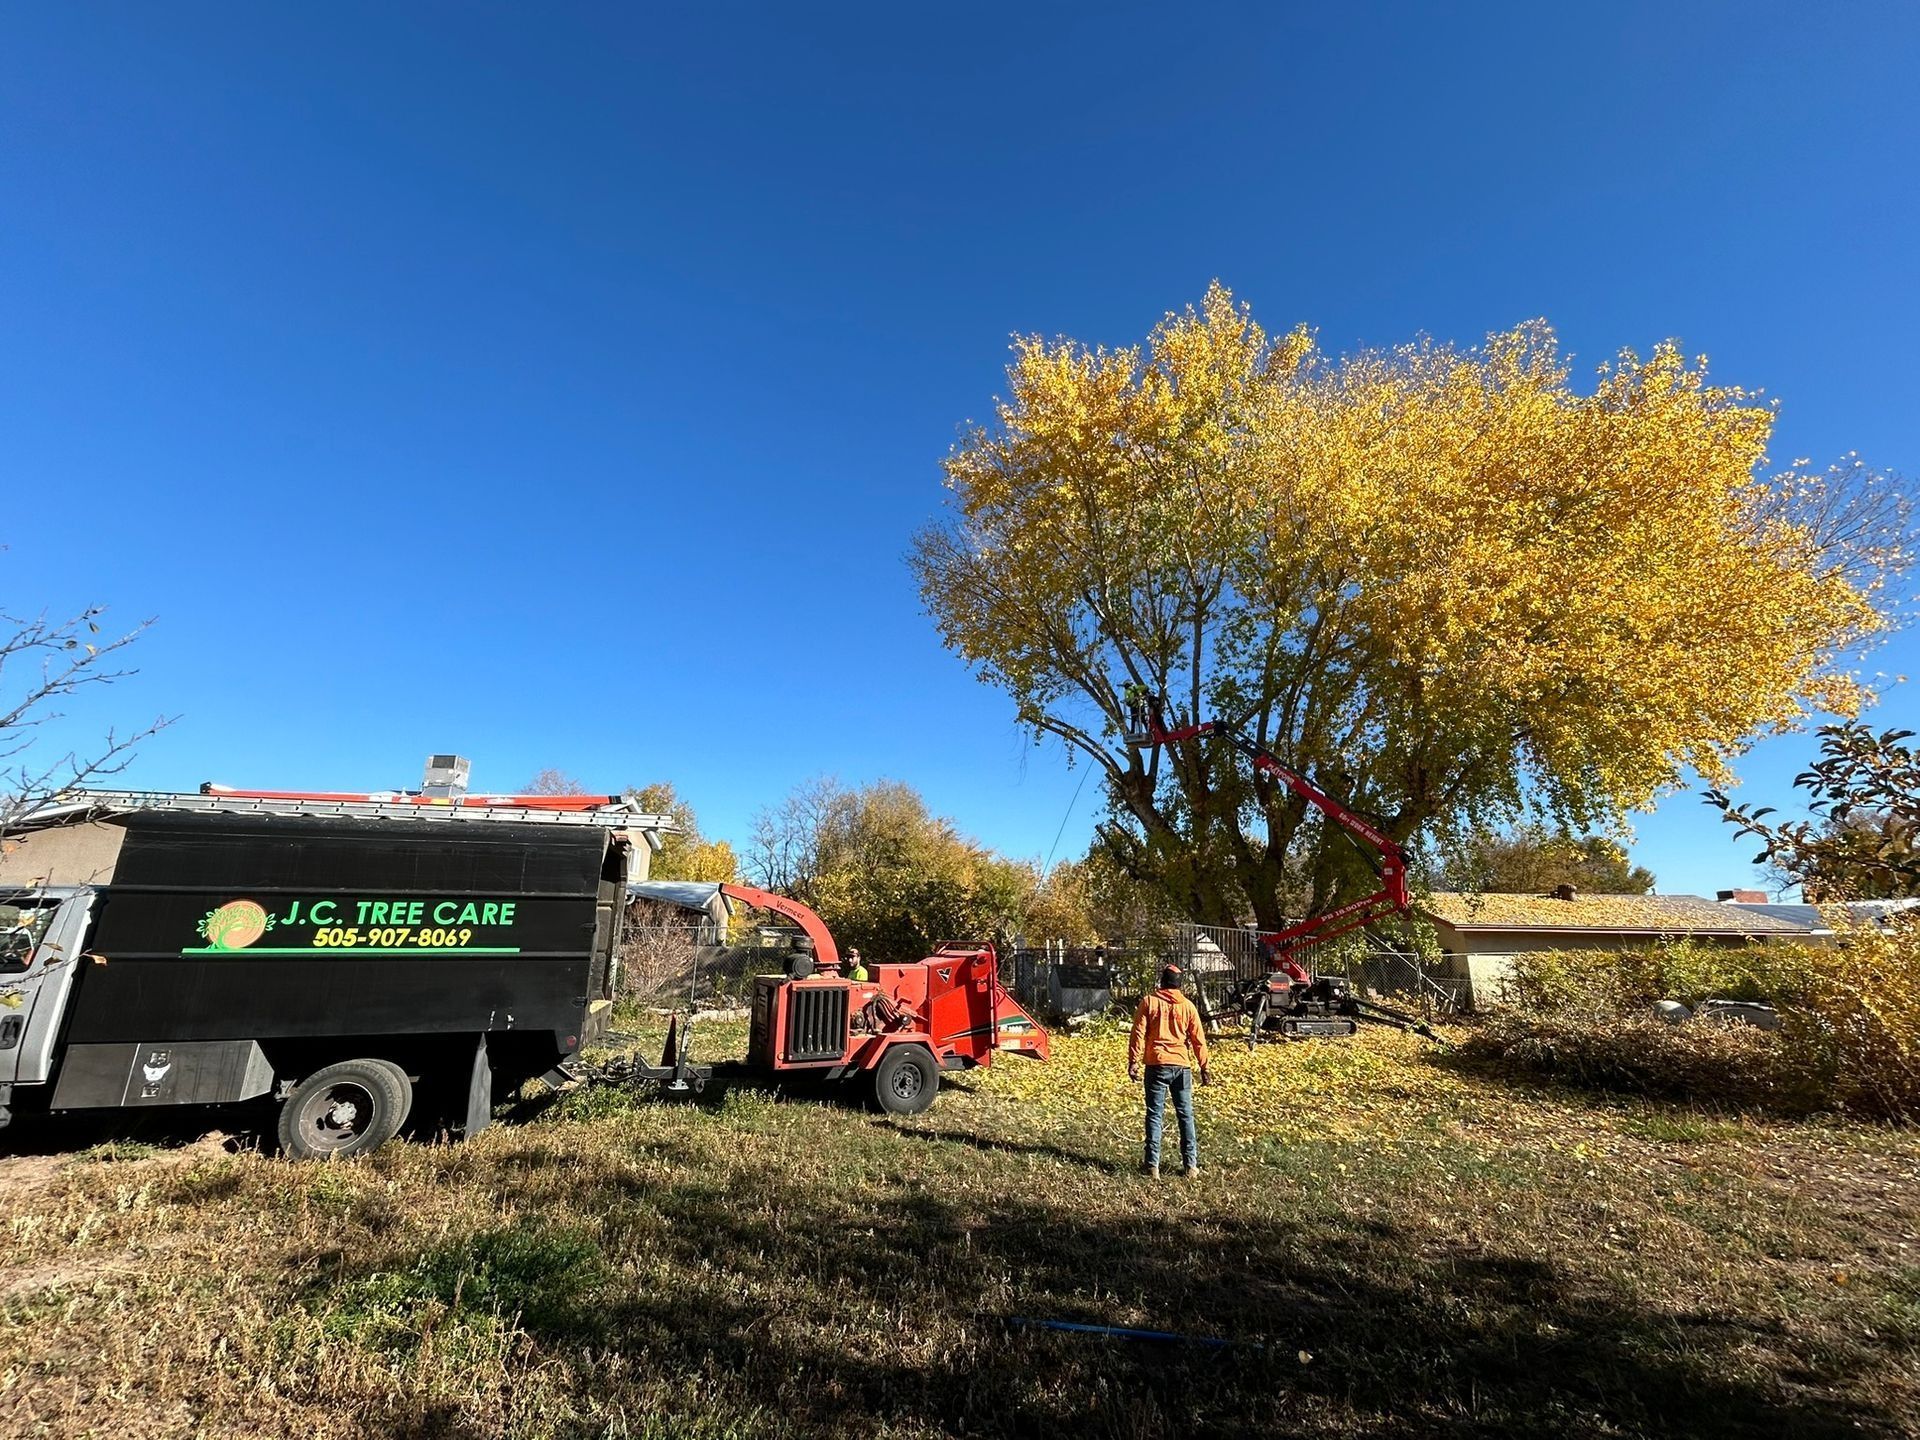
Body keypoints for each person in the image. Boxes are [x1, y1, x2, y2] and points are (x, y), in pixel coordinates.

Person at [1128, 963, 1211, 1178]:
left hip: (1156, 1064)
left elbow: (1138, 1032)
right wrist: (1204, 1067)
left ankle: (1152, 1166)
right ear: (1179, 985)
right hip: (1181, 1066)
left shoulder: (1149, 1002)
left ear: (1162, 982)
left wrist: (1133, 1061)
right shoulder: (1188, 1007)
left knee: (1155, 1114)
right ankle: (1191, 1166)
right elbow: (1198, 1039)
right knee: (1186, 1115)